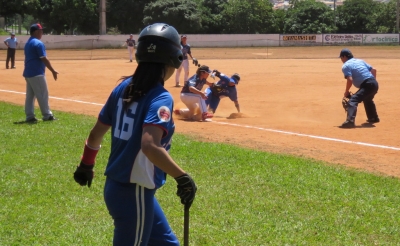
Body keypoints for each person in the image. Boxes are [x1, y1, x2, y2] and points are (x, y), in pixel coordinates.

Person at [73, 23, 197, 246]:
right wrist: (182, 177)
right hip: (134, 191)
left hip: (119, 188)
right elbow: (150, 145)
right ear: (175, 57)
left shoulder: (122, 88)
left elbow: (95, 135)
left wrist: (86, 165)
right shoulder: (160, 97)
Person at [23, 23, 58, 123]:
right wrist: (53, 70)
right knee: (42, 94)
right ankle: (47, 115)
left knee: (30, 96)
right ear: (35, 32)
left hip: (28, 73)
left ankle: (29, 116)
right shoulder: (38, 43)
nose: (42, 32)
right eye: (40, 31)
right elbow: (44, 58)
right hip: (36, 73)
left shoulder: (28, 43)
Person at [339, 48, 379, 128]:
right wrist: (372, 81)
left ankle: (350, 121)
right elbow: (374, 70)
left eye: (341, 57)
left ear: (344, 57)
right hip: (374, 83)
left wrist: (346, 91)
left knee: (353, 100)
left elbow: (350, 80)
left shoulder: (346, 66)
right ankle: (373, 118)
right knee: (367, 99)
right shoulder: (360, 61)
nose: (341, 60)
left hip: (367, 84)